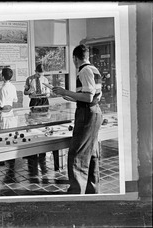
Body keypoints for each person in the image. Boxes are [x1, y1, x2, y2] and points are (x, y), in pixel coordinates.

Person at [52, 44, 103, 194]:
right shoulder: (94, 69)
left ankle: (76, 193)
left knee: (77, 154)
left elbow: (88, 97)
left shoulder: (84, 71)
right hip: (94, 111)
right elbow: (91, 96)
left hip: (87, 113)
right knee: (91, 153)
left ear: (75, 58)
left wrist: (65, 91)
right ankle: (91, 190)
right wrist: (68, 96)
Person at [23, 64, 58, 181]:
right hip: (34, 102)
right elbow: (25, 92)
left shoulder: (45, 79)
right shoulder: (29, 79)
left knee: (44, 124)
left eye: (42, 74)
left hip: (43, 101)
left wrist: (46, 93)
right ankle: (34, 148)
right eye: (38, 73)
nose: (40, 75)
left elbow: (48, 92)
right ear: (35, 71)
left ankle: (43, 149)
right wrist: (30, 93)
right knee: (33, 124)